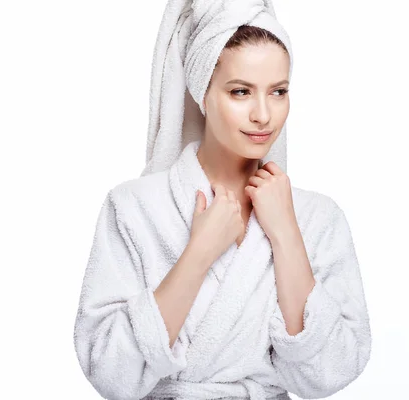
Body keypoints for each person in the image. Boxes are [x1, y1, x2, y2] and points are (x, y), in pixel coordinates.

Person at [73, 2, 371, 400]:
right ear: (202, 93)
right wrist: (199, 252)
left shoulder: (318, 218)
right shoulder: (133, 207)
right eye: (240, 92)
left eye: (278, 92)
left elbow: (333, 370)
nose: (263, 114)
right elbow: (109, 372)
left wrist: (286, 235)